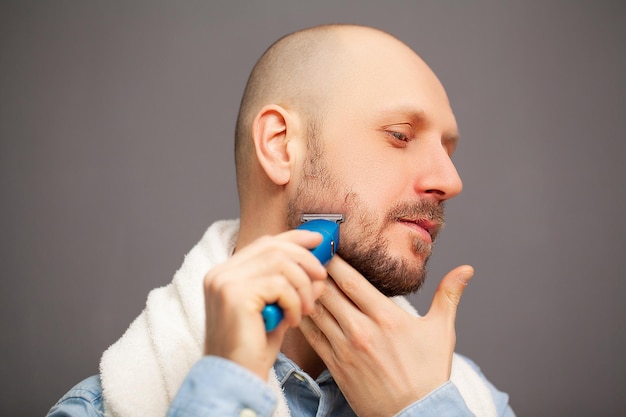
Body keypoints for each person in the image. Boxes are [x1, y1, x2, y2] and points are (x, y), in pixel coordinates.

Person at [47, 24, 514, 416]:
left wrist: (425, 407)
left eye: (448, 151)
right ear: (280, 145)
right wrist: (224, 387)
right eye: (400, 135)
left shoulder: (473, 402)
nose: (449, 180)